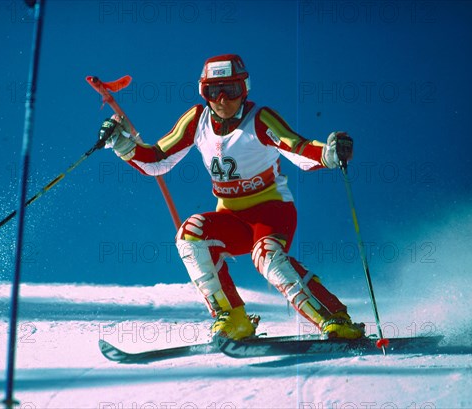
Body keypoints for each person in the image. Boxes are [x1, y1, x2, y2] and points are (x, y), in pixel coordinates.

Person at [99, 54, 365, 341]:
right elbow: (157, 160)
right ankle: (233, 317)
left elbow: (296, 148)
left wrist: (329, 152)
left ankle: (334, 319)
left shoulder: (259, 119)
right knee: (189, 234)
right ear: (204, 93)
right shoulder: (197, 121)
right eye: (214, 91)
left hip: (271, 211)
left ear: (244, 89)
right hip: (232, 218)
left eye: (231, 90)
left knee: (268, 258)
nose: (223, 99)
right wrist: (121, 143)